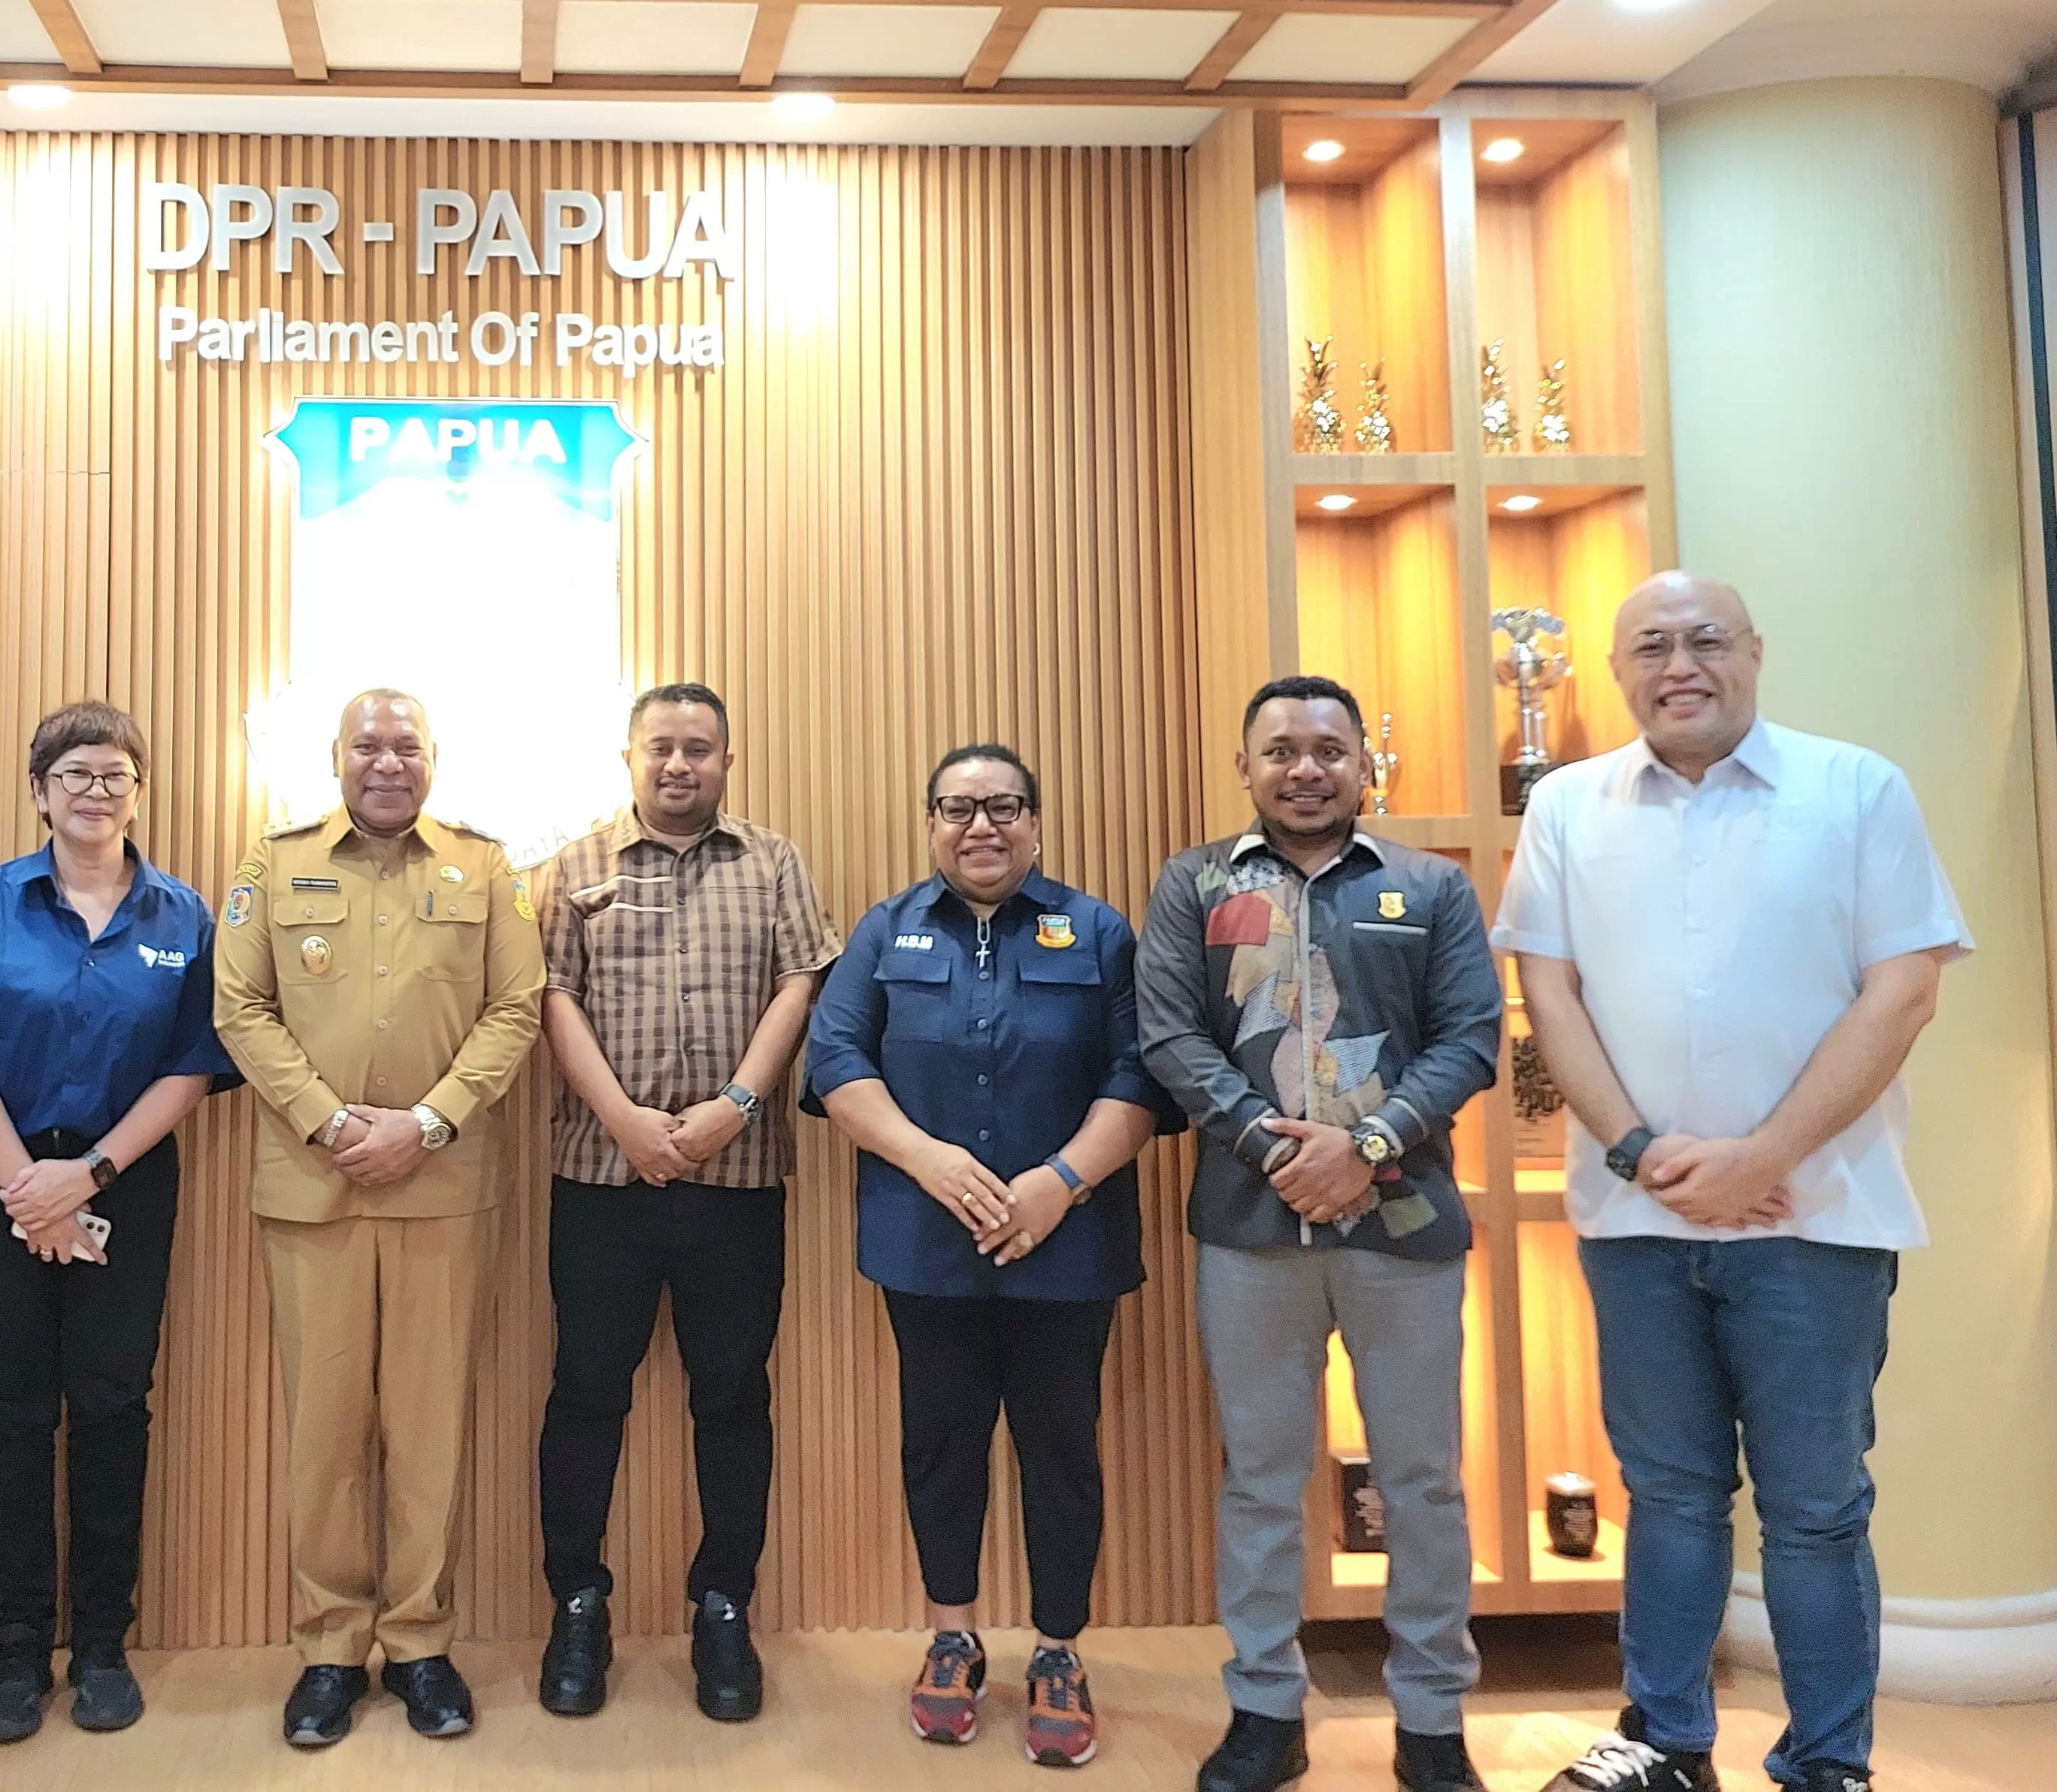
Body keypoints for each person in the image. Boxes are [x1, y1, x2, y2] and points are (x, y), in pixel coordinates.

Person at [1496, 574, 1968, 1792]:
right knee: (1665, 1491)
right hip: (1631, 1216)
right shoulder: (1562, 804)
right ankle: (1662, 1743)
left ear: (1754, 651)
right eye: (1650, 644)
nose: (1679, 662)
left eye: (1705, 637)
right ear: (1616, 670)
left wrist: (1763, 1158)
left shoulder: (1853, 787)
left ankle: (1825, 1763)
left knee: (1815, 1507)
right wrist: (1639, 1151)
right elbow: (1548, 994)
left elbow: (1903, 985)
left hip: (1816, 1214)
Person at [1136, 675, 1503, 1792]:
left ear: (1361, 766)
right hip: (1251, 1231)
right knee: (1257, 1475)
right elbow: (1169, 1034)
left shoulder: (1430, 885)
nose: (1304, 768)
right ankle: (1263, 1706)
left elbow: (1471, 1037)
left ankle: (1432, 1720)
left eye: (1327, 749)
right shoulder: (1193, 883)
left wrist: (1370, 1145)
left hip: (1401, 1227)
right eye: (1281, 749)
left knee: (1424, 1477)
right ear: (1242, 766)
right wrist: (1276, 1149)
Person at [803, 743, 1166, 1769]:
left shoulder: (1094, 929)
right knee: (940, 1440)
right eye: (958, 808)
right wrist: (926, 1157)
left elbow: (1141, 1069)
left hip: (1066, 1242)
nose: (981, 826)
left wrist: (1060, 1181)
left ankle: (1058, 1650)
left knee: (1060, 1447)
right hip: (927, 1243)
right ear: (930, 824)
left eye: (1002, 805)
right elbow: (835, 1058)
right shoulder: (886, 928)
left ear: (1035, 820)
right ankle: (952, 1633)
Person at [0, 703, 237, 1745]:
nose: (97, 790)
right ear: (39, 790)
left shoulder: (180, 916)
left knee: (110, 1403)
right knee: (8, 1408)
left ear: (140, 794)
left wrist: (82, 1176)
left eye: (117, 775)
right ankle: (14, 1650)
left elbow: (192, 1065)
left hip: (120, 1177)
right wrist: (27, 1188)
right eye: (75, 773)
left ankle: (100, 1646)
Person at [213, 688, 544, 1747]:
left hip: (443, 1186)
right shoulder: (273, 861)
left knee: (428, 1420)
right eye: (369, 744)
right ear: (336, 756)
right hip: (314, 1187)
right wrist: (325, 1119)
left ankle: (417, 1639)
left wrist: (429, 1122)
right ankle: (327, 1645)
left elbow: (515, 1008)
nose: (387, 762)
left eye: (406, 745)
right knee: (323, 1427)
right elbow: (239, 1007)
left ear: (434, 758)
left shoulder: (486, 868)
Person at [531, 682, 840, 1722]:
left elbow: (801, 980)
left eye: (698, 748)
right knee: (584, 1393)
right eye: (660, 747)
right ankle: (576, 1601)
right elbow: (550, 997)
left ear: (726, 760)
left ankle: (723, 1605)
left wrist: (735, 1105)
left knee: (732, 1392)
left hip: (737, 1179)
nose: (679, 764)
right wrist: (622, 1116)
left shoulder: (772, 860)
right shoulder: (575, 867)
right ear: (628, 757)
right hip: (599, 1172)